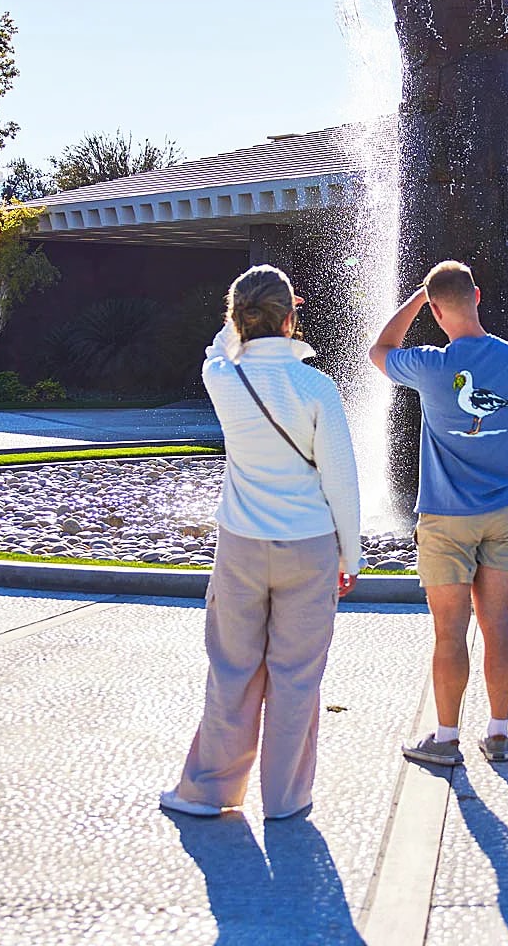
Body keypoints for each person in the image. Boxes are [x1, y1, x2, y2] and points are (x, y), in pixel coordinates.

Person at [163, 265, 361, 821]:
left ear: (237, 318)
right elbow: (341, 480)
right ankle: (286, 798)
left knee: (232, 670)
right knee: (297, 678)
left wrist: (238, 325)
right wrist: (351, 555)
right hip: (309, 545)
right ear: (291, 317)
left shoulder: (221, 377)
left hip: (242, 545)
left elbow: (217, 347)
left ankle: (209, 792)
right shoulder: (317, 387)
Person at [369, 261, 508, 765]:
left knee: (450, 632)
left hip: (446, 518)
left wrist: (415, 299)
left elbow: (379, 350)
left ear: (436, 311)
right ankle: (498, 734)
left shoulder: (431, 364)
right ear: (478, 296)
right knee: (498, 623)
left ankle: (446, 739)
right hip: (503, 511)